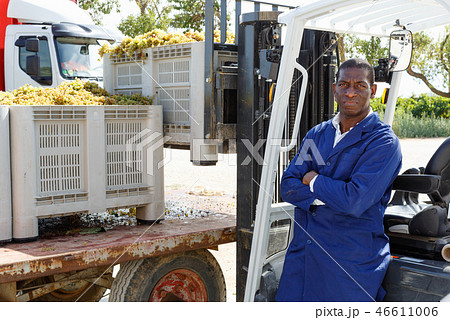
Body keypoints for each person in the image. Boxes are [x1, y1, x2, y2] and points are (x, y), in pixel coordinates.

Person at [275, 58, 402, 302]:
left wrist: (312, 181)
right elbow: (288, 185)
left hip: (347, 264)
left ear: (373, 90)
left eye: (360, 85)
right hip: (304, 257)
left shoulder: (383, 142)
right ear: (334, 89)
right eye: (344, 84)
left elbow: (355, 200)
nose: (350, 92)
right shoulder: (318, 133)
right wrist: (329, 196)